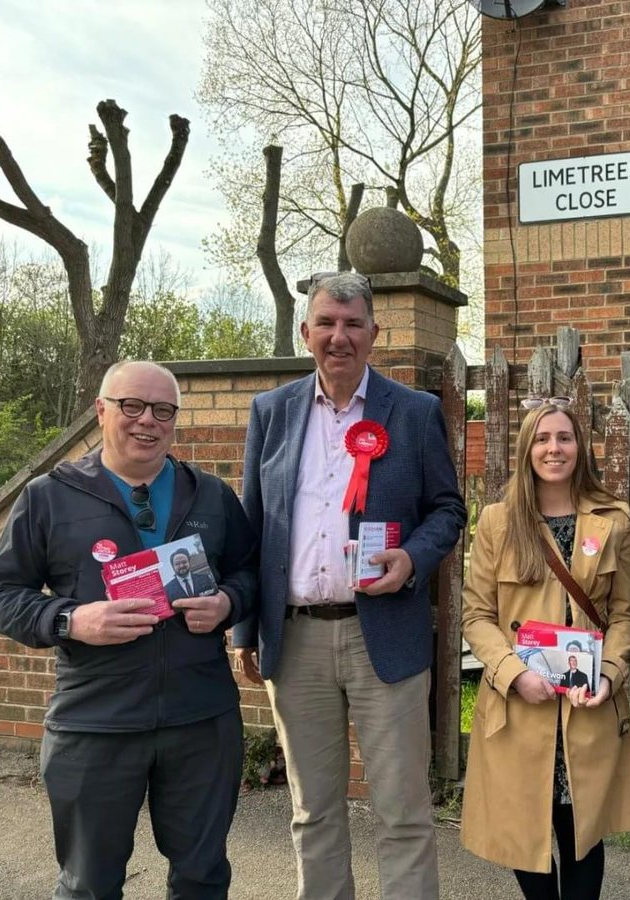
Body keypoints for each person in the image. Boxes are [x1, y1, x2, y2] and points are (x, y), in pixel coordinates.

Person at [0, 360, 258, 899]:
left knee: (202, 876)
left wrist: (227, 602)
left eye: (162, 410)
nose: (146, 421)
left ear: (174, 420)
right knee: (89, 884)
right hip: (94, 722)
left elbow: (249, 572)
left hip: (200, 719)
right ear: (101, 410)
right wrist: (70, 618)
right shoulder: (48, 496)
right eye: (131, 405)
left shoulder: (212, 496)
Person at [233, 272, 466, 900]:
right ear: (305, 331)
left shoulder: (413, 413)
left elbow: (448, 510)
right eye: (327, 323)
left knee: (403, 811)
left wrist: (412, 560)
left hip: (383, 637)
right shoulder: (271, 412)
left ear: (374, 334)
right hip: (297, 639)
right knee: (313, 812)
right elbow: (253, 526)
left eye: (353, 324)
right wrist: (245, 628)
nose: (340, 336)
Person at [462, 401, 630, 899]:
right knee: (527, 831)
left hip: (586, 706)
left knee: (583, 832)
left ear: (580, 448)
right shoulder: (499, 522)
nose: (554, 448)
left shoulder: (614, 521)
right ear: (527, 449)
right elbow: (476, 616)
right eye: (543, 439)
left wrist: (610, 673)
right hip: (522, 704)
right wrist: (512, 674)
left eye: (564, 438)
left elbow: (623, 613)